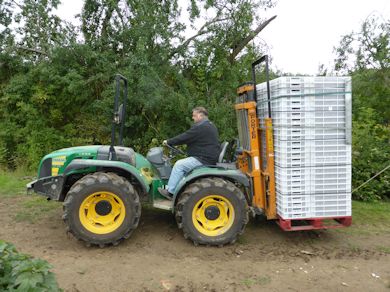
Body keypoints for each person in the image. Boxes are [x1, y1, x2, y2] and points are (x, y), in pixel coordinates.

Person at [158, 107, 220, 200]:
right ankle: (178, 190)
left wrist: (169, 142)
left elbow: (185, 137)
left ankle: (170, 192)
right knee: (182, 164)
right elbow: (192, 139)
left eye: (194, 116)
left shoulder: (201, 127)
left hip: (203, 159)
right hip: (206, 157)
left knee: (179, 165)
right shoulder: (209, 125)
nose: (193, 118)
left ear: (200, 115)